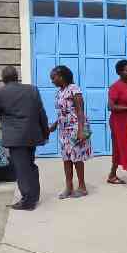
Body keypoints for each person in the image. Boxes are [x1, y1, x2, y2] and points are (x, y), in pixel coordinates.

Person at [0, 66, 49, 211]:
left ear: (3, 78)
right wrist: (45, 133)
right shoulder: (32, 89)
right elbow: (41, 112)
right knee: (30, 165)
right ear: (17, 77)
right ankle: (34, 196)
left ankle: (28, 202)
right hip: (32, 134)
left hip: (16, 137)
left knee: (22, 168)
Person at [48, 66, 92, 199]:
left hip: (75, 128)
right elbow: (63, 112)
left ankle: (82, 187)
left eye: (53, 78)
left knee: (77, 158)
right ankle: (69, 187)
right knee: (66, 158)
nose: (52, 81)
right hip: (63, 129)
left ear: (61, 76)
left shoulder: (74, 89)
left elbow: (80, 111)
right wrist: (55, 124)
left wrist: (80, 130)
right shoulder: (59, 92)